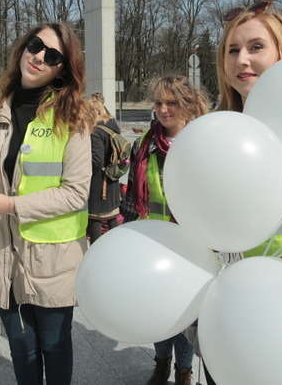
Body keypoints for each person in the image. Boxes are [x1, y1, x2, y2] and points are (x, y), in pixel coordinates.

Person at [0, 22, 92, 385]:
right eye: (35, 45)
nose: (39, 56)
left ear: (62, 68)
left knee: (55, 348)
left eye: (52, 55)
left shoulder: (73, 115)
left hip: (53, 258)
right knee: (22, 349)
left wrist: (10, 206)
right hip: (5, 253)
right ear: (23, 47)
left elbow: (76, 192)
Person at [206, 0, 282, 385]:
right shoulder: (218, 127)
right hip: (224, 292)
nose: (242, 59)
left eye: (256, 47)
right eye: (232, 50)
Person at [121, 75, 208, 385]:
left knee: (185, 314)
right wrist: (129, 238)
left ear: (188, 105)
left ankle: (184, 370)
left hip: (192, 247)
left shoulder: (203, 143)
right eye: (158, 103)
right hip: (154, 243)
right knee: (158, 309)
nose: (163, 109)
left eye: (171, 103)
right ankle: (161, 363)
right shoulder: (143, 145)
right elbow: (132, 197)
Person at [86, 93, 121, 244]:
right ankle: (115, 246)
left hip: (99, 184)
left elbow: (97, 160)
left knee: (95, 219)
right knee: (112, 218)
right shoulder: (112, 126)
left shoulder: (96, 132)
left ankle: (96, 250)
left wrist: (81, 165)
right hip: (112, 178)